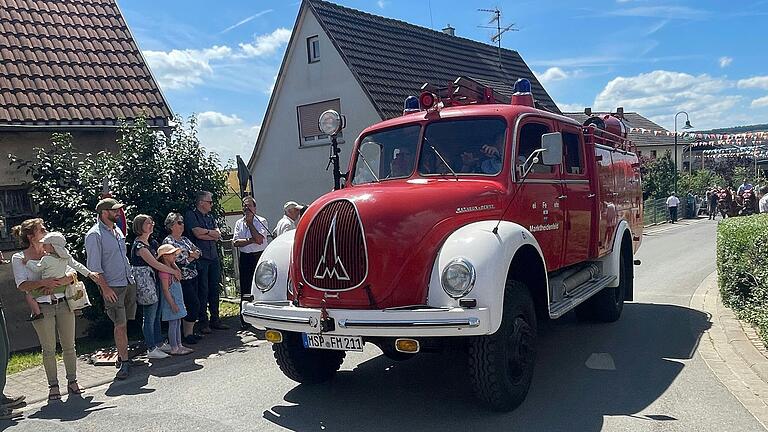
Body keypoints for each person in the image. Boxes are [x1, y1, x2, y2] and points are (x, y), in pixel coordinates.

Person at [12, 219, 95, 399]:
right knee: (48, 349)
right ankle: (53, 386)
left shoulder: (54, 249)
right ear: (31, 236)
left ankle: (72, 381)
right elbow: (22, 285)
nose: (46, 230)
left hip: (64, 302)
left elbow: (72, 271)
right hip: (43, 306)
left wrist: (64, 280)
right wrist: (44, 283)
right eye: (41, 229)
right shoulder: (19, 257)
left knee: (69, 346)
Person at [85, 198, 136, 380]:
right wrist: (105, 289)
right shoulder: (94, 235)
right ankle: (124, 362)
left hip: (127, 282)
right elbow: (94, 269)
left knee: (125, 322)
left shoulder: (117, 231)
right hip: (112, 286)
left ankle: (124, 356)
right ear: (104, 213)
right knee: (119, 324)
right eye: (115, 211)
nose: (118, 213)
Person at [130, 215, 181, 360]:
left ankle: (158, 342)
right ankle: (151, 347)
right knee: (150, 315)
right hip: (146, 284)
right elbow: (155, 263)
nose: (151, 225)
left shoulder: (151, 243)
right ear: (140, 226)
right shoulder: (140, 246)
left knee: (157, 313)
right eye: (147, 223)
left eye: (152, 223)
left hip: (154, 280)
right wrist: (174, 271)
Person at [184, 191, 229, 333]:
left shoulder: (210, 216)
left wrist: (207, 233)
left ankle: (215, 319)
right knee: (203, 290)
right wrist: (211, 233)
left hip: (213, 257)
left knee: (214, 288)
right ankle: (203, 322)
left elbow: (218, 235)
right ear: (201, 202)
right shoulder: (191, 215)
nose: (211, 204)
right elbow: (197, 233)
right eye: (209, 202)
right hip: (201, 258)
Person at [162, 212, 203, 345]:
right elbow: (178, 259)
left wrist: (189, 255)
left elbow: (198, 251)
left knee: (194, 304)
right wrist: (190, 256)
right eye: (179, 223)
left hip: (193, 275)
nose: (182, 225)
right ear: (171, 225)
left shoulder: (185, 240)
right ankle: (182, 334)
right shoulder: (168, 241)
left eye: (182, 222)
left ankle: (188, 333)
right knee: (192, 303)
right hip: (180, 279)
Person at [233, 197, 269, 328]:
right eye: (244, 206)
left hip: (258, 256)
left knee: (262, 286)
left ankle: (263, 315)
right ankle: (245, 318)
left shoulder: (261, 221)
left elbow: (259, 240)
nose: (246, 209)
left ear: (254, 208)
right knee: (246, 287)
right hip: (245, 257)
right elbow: (236, 242)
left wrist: (250, 224)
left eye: (249, 206)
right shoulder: (238, 223)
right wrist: (251, 239)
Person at [156, 244, 192, 355]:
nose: (174, 256)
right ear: (165, 256)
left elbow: (179, 276)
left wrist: (173, 264)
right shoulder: (164, 272)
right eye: (172, 254)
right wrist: (172, 304)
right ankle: (174, 347)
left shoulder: (172, 269)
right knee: (173, 324)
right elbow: (166, 290)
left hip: (177, 300)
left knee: (178, 322)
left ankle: (179, 344)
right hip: (171, 302)